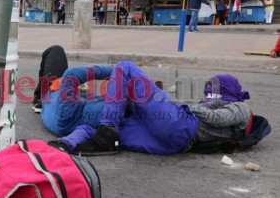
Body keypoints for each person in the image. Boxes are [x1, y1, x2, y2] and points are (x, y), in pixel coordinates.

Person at [47, 59, 255, 156]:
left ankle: (108, 127)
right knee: (103, 134)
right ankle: (65, 144)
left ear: (231, 90)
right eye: (209, 90)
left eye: (216, 89)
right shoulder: (215, 105)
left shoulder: (241, 108)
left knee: (125, 67)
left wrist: (178, 106)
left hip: (182, 126)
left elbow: (218, 118)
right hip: (171, 144)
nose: (210, 94)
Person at [31, 45, 114, 136]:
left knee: (55, 50)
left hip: (52, 91)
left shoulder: (66, 115)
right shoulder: (82, 123)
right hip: (67, 99)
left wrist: (115, 70)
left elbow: (71, 74)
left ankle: (39, 99)